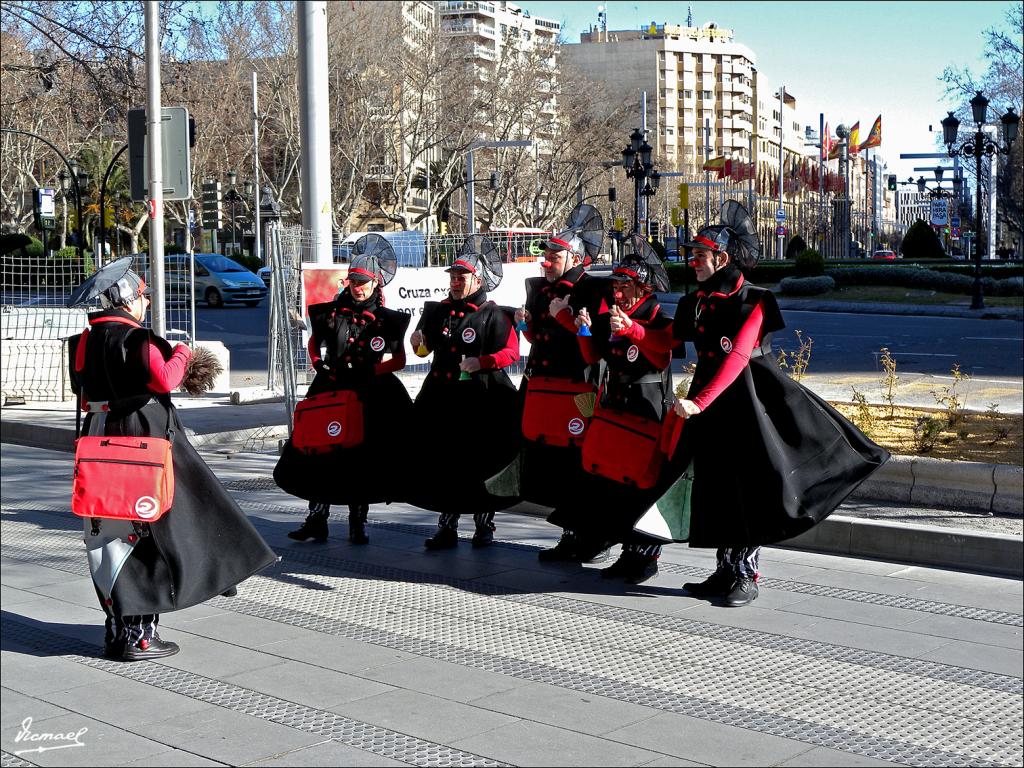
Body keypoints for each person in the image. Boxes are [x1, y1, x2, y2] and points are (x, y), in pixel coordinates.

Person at [661, 201, 889, 606]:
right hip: (712, 403)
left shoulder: (756, 299)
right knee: (718, 483)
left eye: (699, 255)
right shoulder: (698, 299)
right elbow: (669, 343)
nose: (692, 262)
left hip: (753, 402)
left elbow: (738, 357)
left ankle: (746, 575)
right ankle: (723, 570)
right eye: (691, 255)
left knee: (753, 486)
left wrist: (699, 401)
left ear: (723, 258)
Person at [67, 258, 277, 661]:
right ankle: (140, 636)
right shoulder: (136, 340)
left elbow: (83, 392)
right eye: (142, 295)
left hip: (98, 441)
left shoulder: (84, 342)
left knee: (109, 532)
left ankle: (119, 630)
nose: (145, 301)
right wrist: (181, 352)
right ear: (127, 300)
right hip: (142, 443)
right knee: (152, 529)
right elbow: (164, 378)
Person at [275, 237, 412, 544]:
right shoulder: (330, 313)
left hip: (369, 395)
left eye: (363, 282)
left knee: (359, 459)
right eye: (353, 281)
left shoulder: (389, 320)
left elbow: (400, 359)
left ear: (375, 282)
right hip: (330, 388)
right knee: (319, 453)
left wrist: (372, 372)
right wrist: (317, 363)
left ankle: (357, 522)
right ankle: (316, 519)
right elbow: (314, 343)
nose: (357, 287)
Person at [561, 236, 675, 583]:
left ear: (642, 288)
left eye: (624, 287)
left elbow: (662, 356)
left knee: (643, 484)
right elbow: (594, 358)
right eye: (615, 286)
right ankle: (622, 548)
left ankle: (645, 555)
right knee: (613, 481)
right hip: (615, 407)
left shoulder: (656, 316)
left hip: (646, 408)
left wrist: (633, 329)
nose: (617, 293)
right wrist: (583, 330)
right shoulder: (613, 316)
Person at [407, 235, 520, 549]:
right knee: (445, 461)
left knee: (480, 461)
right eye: (453, 277)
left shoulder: (494, 313)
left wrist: (481, 361)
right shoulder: (436, 311)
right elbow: (422, 350)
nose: (455, 283)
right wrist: (418, 342)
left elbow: (511, 352)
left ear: (478, 279)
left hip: (481, 399)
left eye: (462, 278)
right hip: (441, 396)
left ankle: (484, 525)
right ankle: (446, 527)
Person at [515, 217, 612, 564]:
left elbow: (595, 347)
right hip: (545, 388)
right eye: (546, 255)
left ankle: (595, 538)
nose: (546, 261)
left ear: (574, 258)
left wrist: (564, 319)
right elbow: (539, 341)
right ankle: (570, 535)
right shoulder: (541, 290)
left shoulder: (593, 289)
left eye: (554, 256)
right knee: (557, 464)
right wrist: (525, 325)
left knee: (584, 463)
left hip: (579, 389)